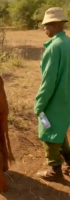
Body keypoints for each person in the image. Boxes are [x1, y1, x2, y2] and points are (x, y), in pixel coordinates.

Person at [34, 7, 70, 181]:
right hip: (66, 98)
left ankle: (54, 169)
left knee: (47, 132)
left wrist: (39, 104)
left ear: (55, 25)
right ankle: (69, 163)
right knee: (60, 128)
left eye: (46, 25)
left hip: (54, 99)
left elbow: (48, 82)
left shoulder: (54, 47)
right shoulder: (67, 42)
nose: (44, 29)